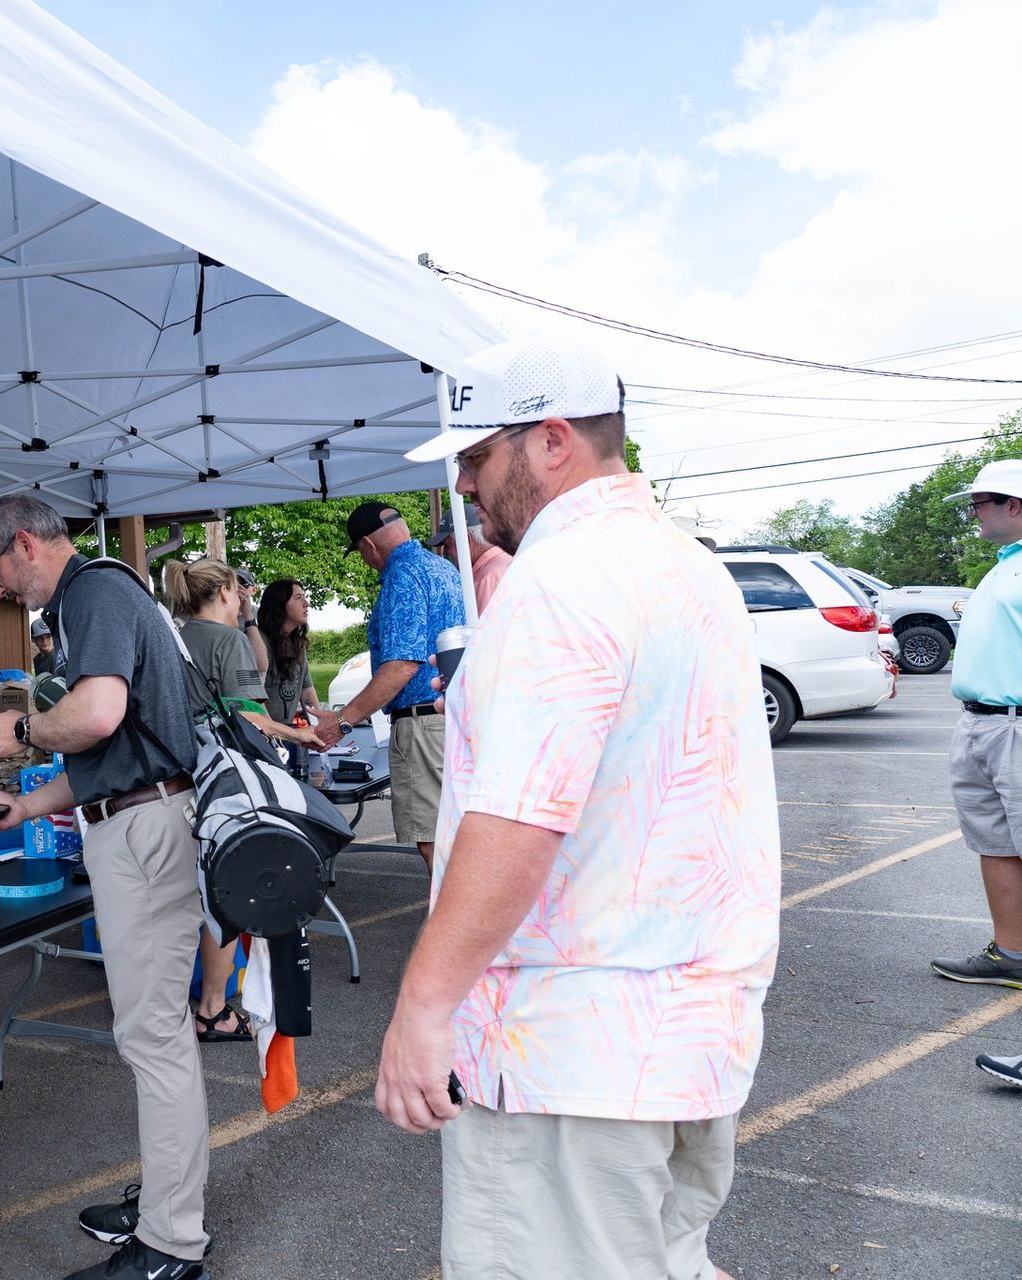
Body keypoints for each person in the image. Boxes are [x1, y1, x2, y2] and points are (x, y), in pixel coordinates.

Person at [376, 334, 779, 1279]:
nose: (467, 489)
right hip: (684, 1037)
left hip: (566, 1054)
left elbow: (520, 816)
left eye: (476, 460)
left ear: (551, 440)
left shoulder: (559, 583)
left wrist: (423, 1007)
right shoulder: (688, 567)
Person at [0, 494, 210, 1280]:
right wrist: (28, 804)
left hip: (143, 833)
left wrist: (21, 728)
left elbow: (98, 716)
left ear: (25, 545)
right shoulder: (100, 593)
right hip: (141, 818)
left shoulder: (93, 593)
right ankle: (167, 1203)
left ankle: (171, 1245)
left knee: (154, 1039)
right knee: (155, 1034)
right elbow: (113, 750)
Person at [165, 557, 321, 1047]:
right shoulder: (228, 641)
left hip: (173, 780)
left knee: (178, 898)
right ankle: (212, 1007)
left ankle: (181, 1002)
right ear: (226, 593)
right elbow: (250, 719)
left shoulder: (173, 637)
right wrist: (303, 736)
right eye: (238, 592)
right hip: (221, 786)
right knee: (224, 894)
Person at [310, 501, 464, 870]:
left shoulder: (402, 575)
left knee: (435, 843)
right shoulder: (443, 567)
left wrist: (341, 721)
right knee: (458, 835)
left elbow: (400, 667)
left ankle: (453, 926)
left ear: (367, 545)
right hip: (454, 715)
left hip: (423, 724)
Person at [933, 458, 1022, 991]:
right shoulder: (1006, 564)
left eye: (979, 503)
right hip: (982, 725)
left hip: (1015, 726)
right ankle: (1012, 953)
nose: (973, 514)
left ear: (1014, 505)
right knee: (995, 841)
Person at [256, 579, 319, 732]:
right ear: (279, 605)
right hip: (265, 737)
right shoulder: (259, 643)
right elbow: (254, 698)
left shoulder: (296, 643)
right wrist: (275, 737)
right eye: (298, 598)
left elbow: (307, 690)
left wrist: (320, 728)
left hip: (285, 735)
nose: (306, 603)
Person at [429, 505, 512, 613]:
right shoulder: (505, 562)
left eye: (448, 545)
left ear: (465, 539)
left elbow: (485, 629)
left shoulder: (487, 578)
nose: (445, 552)